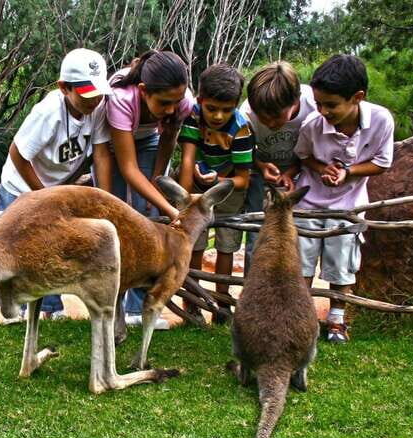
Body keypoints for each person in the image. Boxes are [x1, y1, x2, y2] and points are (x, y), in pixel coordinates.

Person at [0, 47, 114, 321]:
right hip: (22, 187)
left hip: (57, 187)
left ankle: (50, 308)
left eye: (99, 93)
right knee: (17, 249)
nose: (94, 100)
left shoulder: (96, 108)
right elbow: (19, 153)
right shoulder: (49, 112)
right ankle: (13, 309)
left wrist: (106, 200)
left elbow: (100, 154)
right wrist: (42, 196)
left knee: (54, 247)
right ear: (64, 88)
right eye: (87, 94)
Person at [293, 54, 394, 343]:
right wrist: (322, 169)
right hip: (309, 204)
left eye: (331, 104)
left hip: (349, 205)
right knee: (302, 262)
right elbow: (303, 156)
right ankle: (303, 318)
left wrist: (348, 172)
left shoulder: (380, 120)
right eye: (319, 103)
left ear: (357, 97)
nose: (323, 110)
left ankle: (336, 319)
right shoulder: (313, 124)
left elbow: (382, 162)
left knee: (342, 263)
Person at [104, 50, 195, 329]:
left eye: (176, 102)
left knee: (150, 217)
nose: (171, 109)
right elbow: (129, 168)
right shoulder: (121, 98)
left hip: (149, 142)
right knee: (119, 217)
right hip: (113, 145)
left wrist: (158, 183)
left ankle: (139, 308)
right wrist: (171, 208)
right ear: (144, 91)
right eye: (165, 103)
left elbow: (167, 140)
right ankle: (112, 307)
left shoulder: (183, 102)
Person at [178, 63, 254, 325]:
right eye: (212, 108)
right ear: (200, 101)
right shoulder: (193, 117)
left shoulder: (242, 129)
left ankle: (223, 304)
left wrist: (218, 180)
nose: (219, 116)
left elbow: (244, 179)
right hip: (197, 186)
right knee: (194, 244)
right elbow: (187, 159)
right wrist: (187, 199)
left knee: (226, 245)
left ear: (236, 105)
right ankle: (193, 300)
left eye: (226, 109)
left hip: (229, 188)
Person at [239, 61, 317, 272]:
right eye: (262, 119)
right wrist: (261, 165)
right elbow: (242, 149)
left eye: (275, 117)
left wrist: (292, 172)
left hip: (303, 172)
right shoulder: (247, 111)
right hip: (259, 169)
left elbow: (320, 146)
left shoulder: (314, 104)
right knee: (256, 231)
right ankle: (252, 286)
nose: (270, 124)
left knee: (296, 234)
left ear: (295, 100)